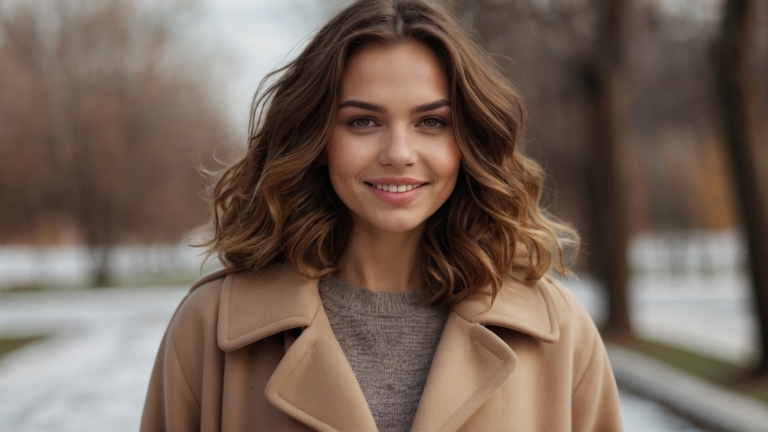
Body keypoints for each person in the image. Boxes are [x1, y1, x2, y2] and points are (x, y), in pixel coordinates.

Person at [140, 0, 622, 431]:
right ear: (317, 139)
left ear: (468, 140)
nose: (399, 153)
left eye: (431, 122)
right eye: (363, 121)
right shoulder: (209, 329)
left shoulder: (560, 334)